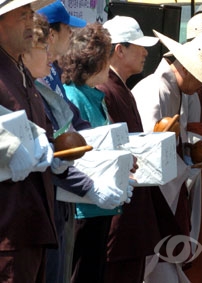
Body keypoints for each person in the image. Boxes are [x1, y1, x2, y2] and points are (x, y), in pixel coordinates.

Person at [23, 13, 125, 283]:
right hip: (37, 208)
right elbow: (56, 145)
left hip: (54, 203)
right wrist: (90, 186)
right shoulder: (30, 86)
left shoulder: (45, 83)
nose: (49, 54)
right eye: (40, 47)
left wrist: (116, 153)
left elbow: (74, 128)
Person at [132, 31, 202, 283]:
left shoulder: (175, 90)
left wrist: (191, 155)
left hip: (169, 196)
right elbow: (147, 153)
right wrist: (186, 163)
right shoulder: (155, 89)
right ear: (189, 70)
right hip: (150, 201)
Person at [95, 15, 180, 283]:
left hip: (130, 210)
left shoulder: (121, 88)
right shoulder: (104, 90)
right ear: (119, 49)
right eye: (138, 46)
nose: (146, 52)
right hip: (117, 211)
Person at [61, 23, 133, 283]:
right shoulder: (73, 96)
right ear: (94, 61)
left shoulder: (94, 95)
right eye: (106, 58)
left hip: (102, 204)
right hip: (83, 204)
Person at [0, 0, 60, 281]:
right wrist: (9, 146)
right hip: (7, 224)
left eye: (30, 15)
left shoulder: (19, 70)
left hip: (30, 221)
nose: (30, 23)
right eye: (22, 16)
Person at [37, 0, 89, 131]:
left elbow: (72, 115)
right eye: (67, 28)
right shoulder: (36, 74)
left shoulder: (54, 69)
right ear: (52, 35)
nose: (71, 34)